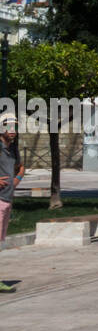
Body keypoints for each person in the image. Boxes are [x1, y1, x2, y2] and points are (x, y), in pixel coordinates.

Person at [0, 116, 23, 290]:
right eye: (9, 127)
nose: (13, 130)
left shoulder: (13, 149)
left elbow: (21, 167)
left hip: (7, 199)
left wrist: (16, 181)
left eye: (15, 126)